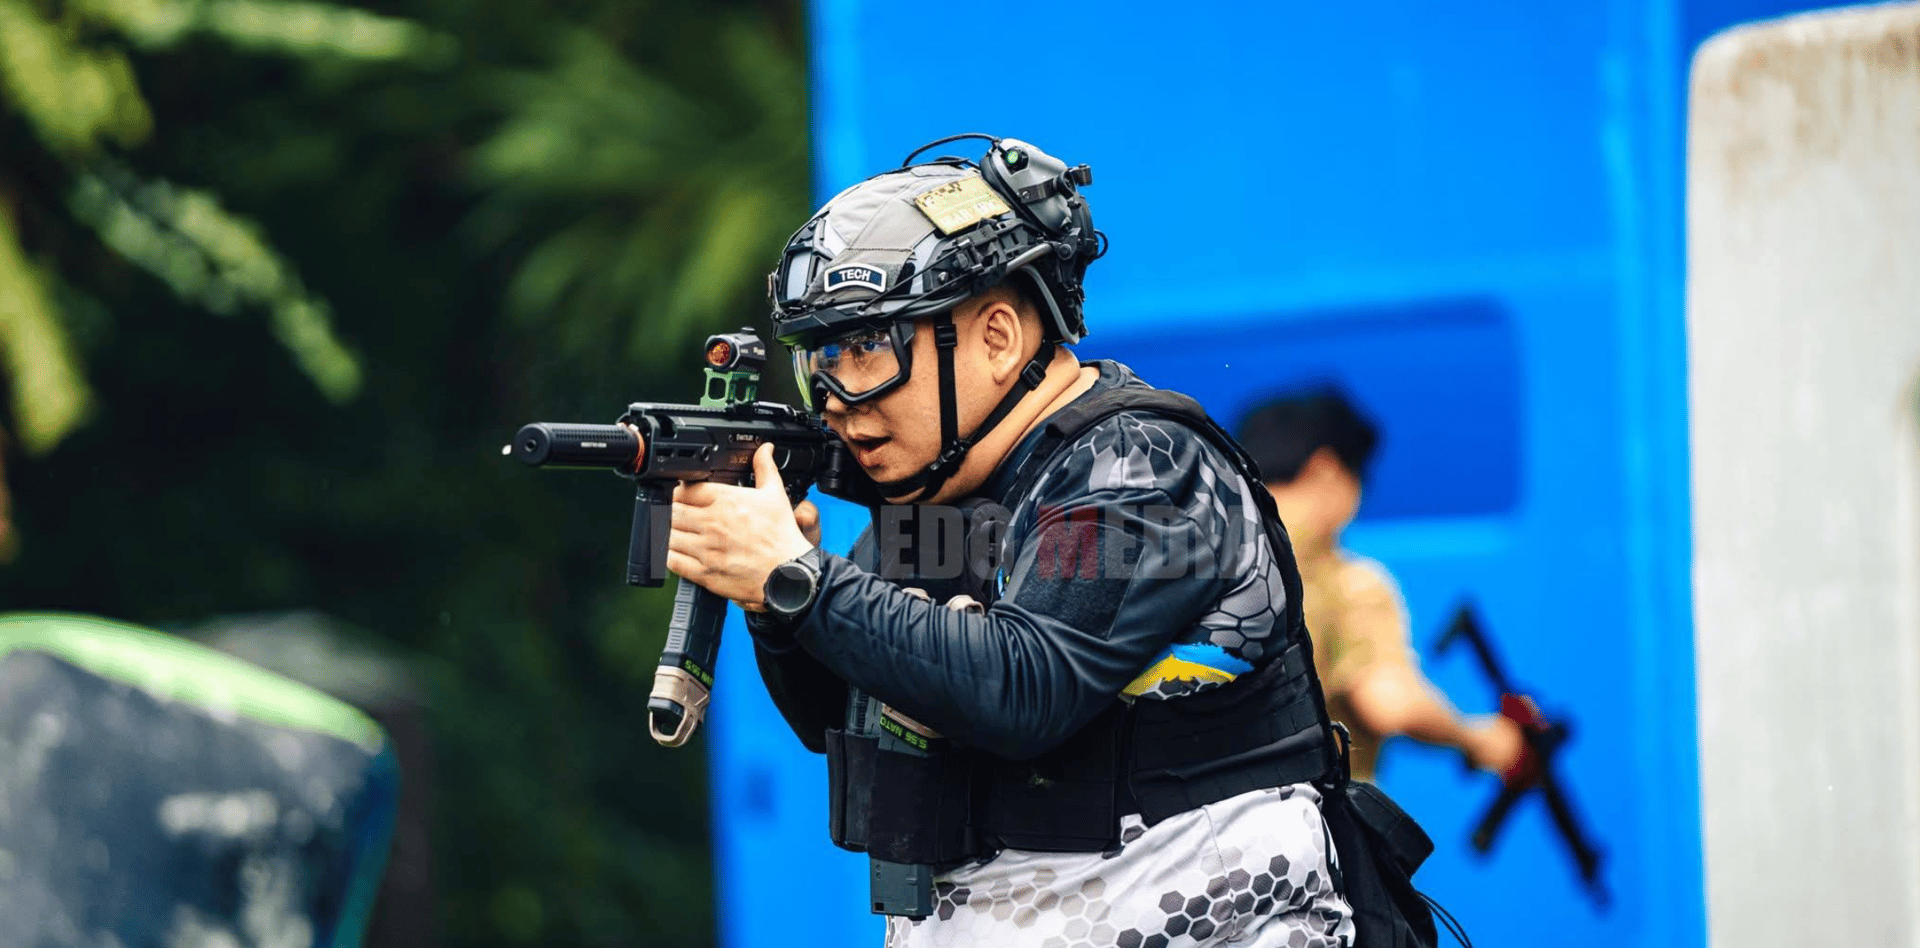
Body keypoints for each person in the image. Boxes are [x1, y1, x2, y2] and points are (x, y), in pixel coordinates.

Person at [664, 135, 1363, 947]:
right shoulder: (948, 501)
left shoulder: (1135, 470)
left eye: (867, 348)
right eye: (819, 358)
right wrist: (777, 602)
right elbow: (837, 716)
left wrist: (797, 577)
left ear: (997, 339)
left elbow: (1026, 685)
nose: (838, 397)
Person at [1235, 387, 1530, 785]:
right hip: (1298, 832)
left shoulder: (1185, 557)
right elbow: (1389, 702)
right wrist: (1480, 739)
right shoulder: (1344, 581)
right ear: (1327, 471)